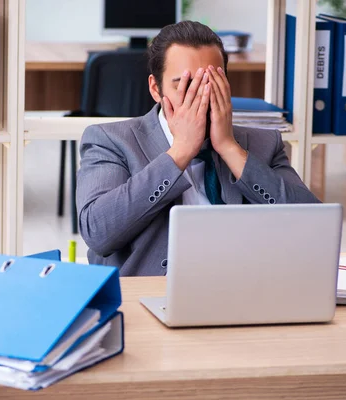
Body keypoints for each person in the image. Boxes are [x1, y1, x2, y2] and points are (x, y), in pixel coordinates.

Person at [76, 21, 320, 276]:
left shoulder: (264, 144)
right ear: (155, 88)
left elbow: (313, 228)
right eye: (183, 85)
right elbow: (98, 232)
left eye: (209, 83)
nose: (198, 96)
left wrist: (229, 148)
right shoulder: (111, 140)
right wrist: (179, 152)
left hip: (243, 290)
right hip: (150, 296)